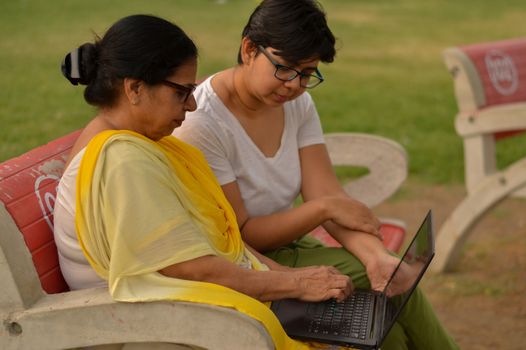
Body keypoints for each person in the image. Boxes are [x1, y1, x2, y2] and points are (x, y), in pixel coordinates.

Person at [53, 14, 353, 349]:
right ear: (135, 88)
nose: (192, 105)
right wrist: (294, 285)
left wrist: (288, 276)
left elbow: (213, 242)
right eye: (182, 92)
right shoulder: (121, 159)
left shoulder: (138, 144)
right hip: (151, 322)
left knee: (344, 315)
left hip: (180, 303)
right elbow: (190, 269)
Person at [173, 1, 460, 349]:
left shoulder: (296, 104)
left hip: (293, 247)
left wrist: (375, 257)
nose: (295, 84)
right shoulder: (203, 123)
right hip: (247, 261)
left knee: (389, 316)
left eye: (307, 74)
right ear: (249, 49)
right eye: (285, 68)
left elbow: (327, 192)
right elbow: (245, 233)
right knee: (405, 292)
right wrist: (322, 210)